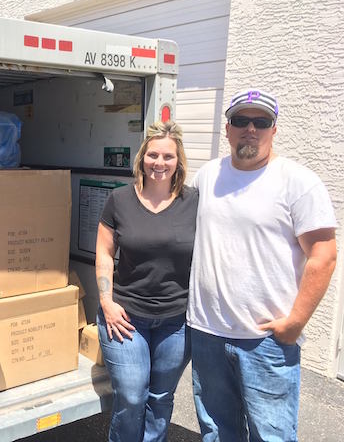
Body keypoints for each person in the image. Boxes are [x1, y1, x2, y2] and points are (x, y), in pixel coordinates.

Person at [187, 89, 337, 441]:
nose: (250, 129)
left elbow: (324, 254)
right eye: (241, 120)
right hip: (208, 332)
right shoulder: (207, 176)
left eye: (261, 121)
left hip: (266, 339)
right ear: (227, 129)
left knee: (271, 436)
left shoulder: (297, 182)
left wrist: (296, 322)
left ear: (273, 129)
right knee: (216, 431)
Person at [96, 120, 198, 442]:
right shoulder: (120, 200)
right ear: (142, 158)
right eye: (153, 155)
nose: (160, 163)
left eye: (168, 156)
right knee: (132, 395)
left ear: (178, 161)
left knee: (160, 398)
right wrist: (106, 302)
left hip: (176, 322)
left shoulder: (194, 202)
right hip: (126, 317)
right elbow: (103, 252)